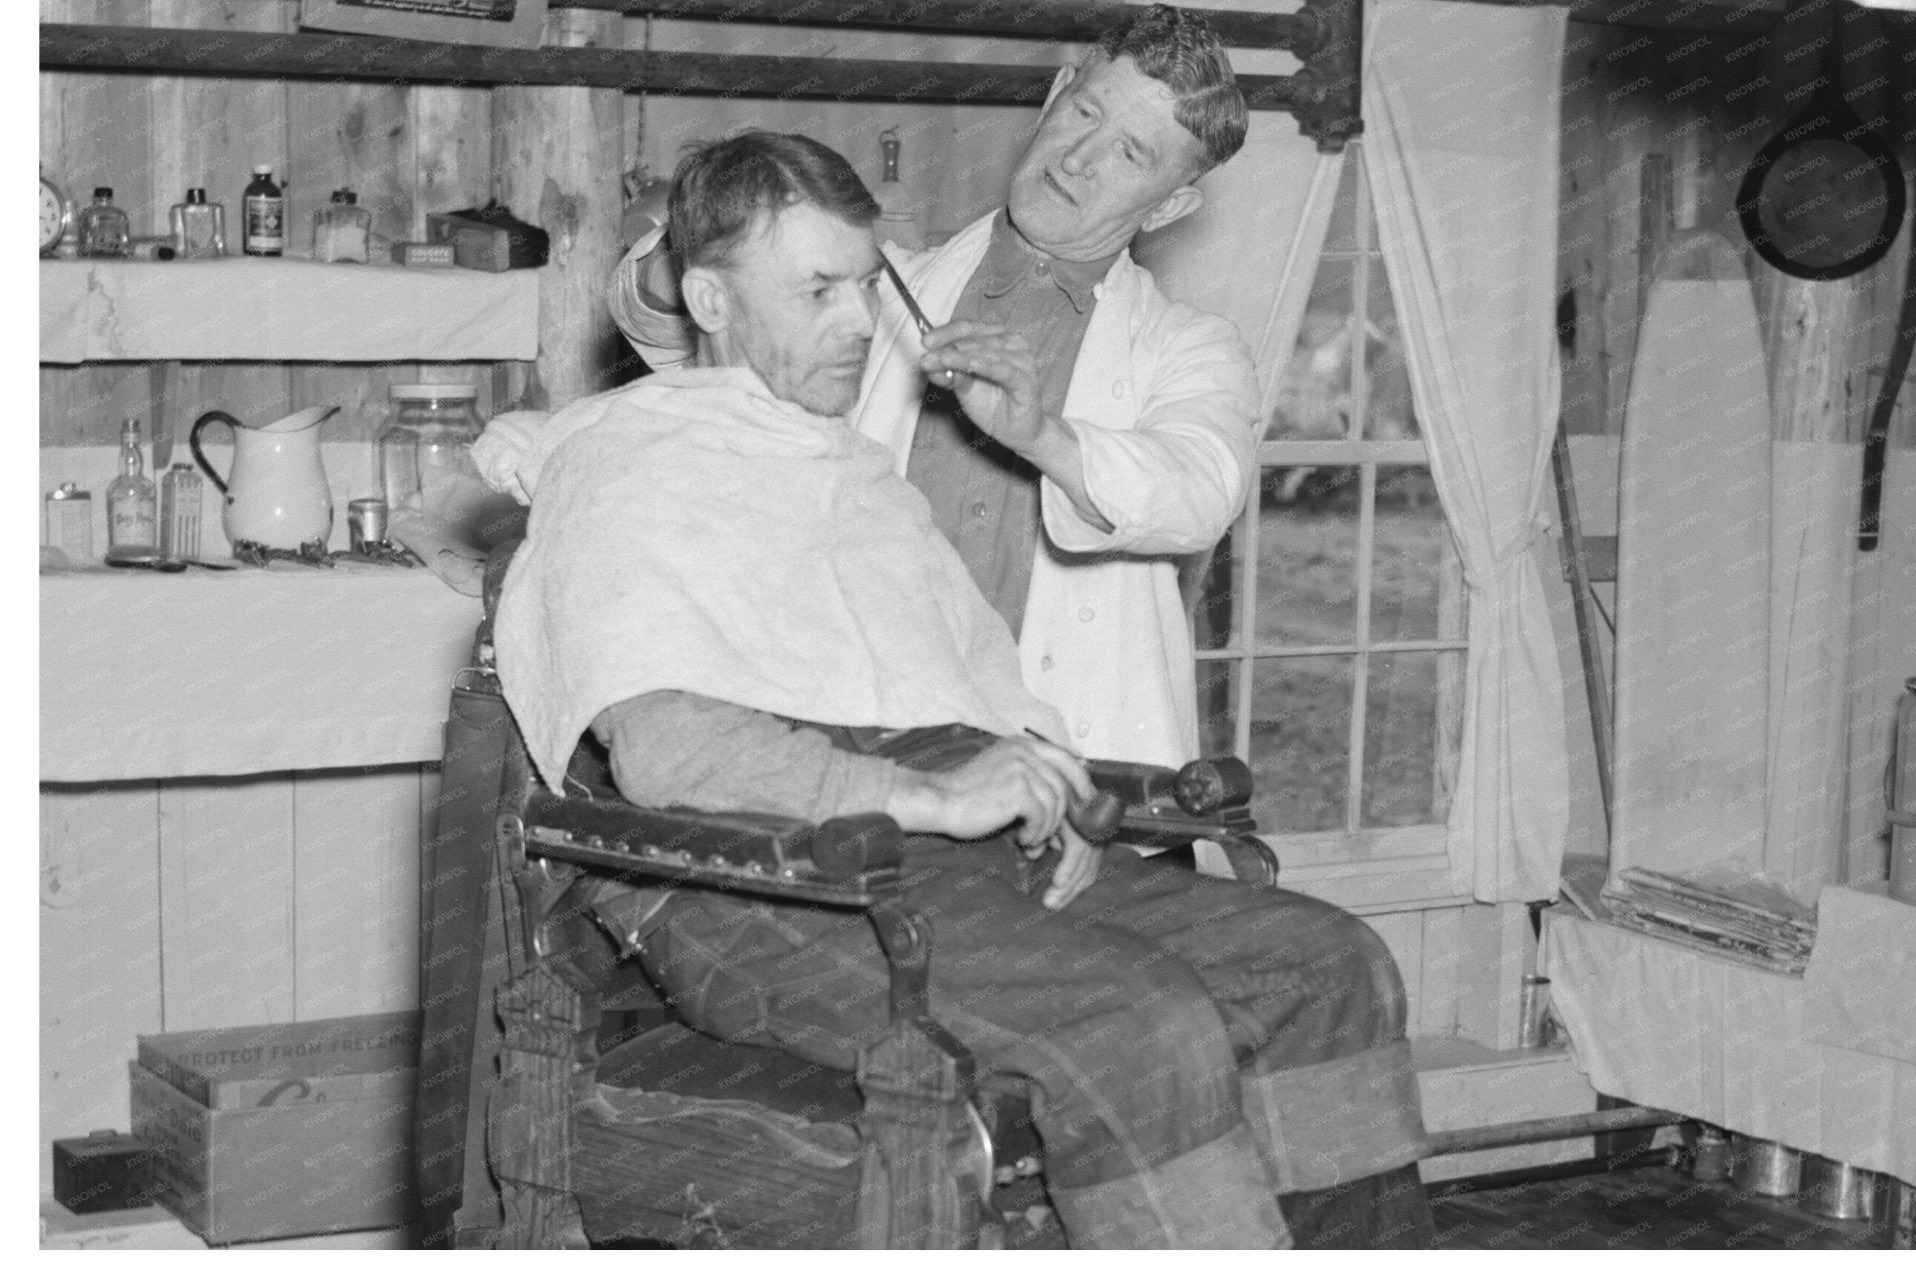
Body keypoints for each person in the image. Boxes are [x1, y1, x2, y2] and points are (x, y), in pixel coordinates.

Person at [488, 132, 1431, 1249]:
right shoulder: (627, 468)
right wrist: (931, 799)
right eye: (817, 291)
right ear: (710, 298)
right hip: (769, 886)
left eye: (864, 282)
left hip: (956, 868)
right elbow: (672, 757)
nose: (857, 322)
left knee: (1326, 964)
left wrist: (1059, 782)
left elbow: (969, 682)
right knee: (1142, 1024)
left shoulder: (850, 474)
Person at [852, 5, 1260, 772]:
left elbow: (1202, 488)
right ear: (1054, 95)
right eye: (1084, 113)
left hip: (1076, 769)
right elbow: (684, 329)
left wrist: (1040, 434)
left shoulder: (1193, 351)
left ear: (1171, 205)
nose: (1076, 160)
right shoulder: (879, 287)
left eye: (1131, 153)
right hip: (869, 749)